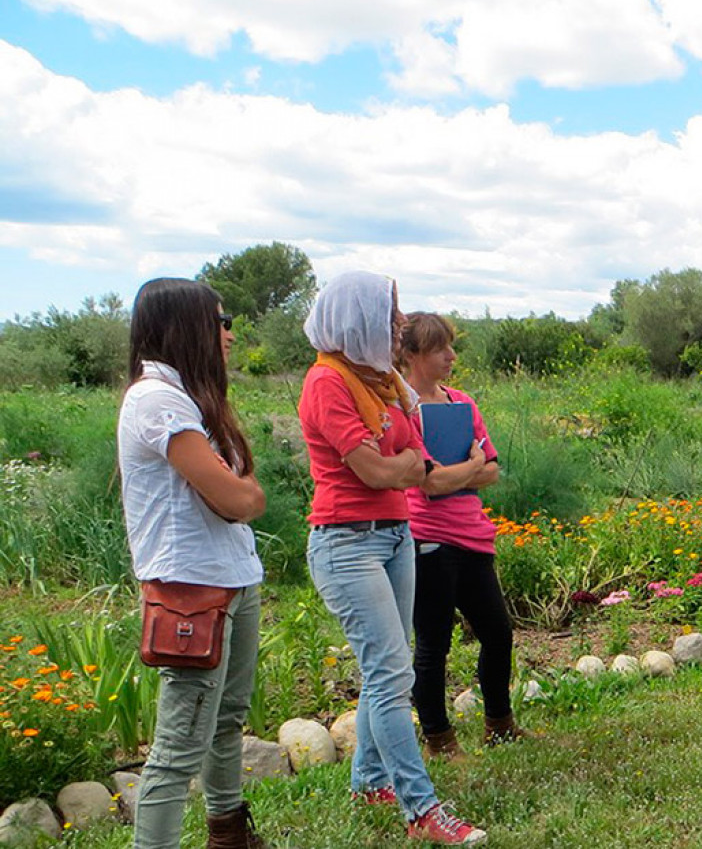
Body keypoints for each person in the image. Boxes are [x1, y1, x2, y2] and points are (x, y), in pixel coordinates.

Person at [299, 272, 487, 845]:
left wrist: (406, 466)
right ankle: (421, 809)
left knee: (385, 668)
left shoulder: (380, 382)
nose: (399, 322)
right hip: (347, 541)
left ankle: (368, 781)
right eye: (391, 312)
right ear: (359, 318)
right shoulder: (327, 383)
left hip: (395, 534)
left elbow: (418, 460)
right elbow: (386, 470)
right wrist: (404, 466)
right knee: (392, 674)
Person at [119, 278, 270, 849]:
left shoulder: (191, 398)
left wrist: (242, 494)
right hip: (191, 589)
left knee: (226, 720)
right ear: (187, 327)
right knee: (178, 746)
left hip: (229, 578)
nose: (229, 332)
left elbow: (237, 495)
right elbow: (239, 499)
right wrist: (245, 495)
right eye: (220, 320)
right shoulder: (158, 401)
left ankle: (228, 834)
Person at [399, 312, 522, 758]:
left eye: (451, 347)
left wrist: (462, 473)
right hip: (428, 539)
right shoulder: (402, 409)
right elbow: (426, 482)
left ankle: (500, 724)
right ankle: (439, 739)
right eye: (439, 349)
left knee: (498, 631)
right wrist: (468, 469)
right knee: (433, 643)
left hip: (472, 537)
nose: (451, 356)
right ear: (411, 355)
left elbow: (492, 469)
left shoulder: (462, 403)